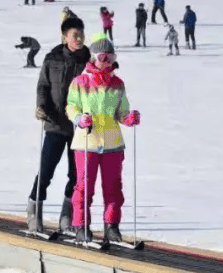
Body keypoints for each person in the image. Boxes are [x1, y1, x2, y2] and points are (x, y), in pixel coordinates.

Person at [66, 33, 140, 244]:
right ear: (93, 57)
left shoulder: (117, 83)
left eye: (109, 57)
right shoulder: (79, 82)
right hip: (86, 142)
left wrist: (129, 118)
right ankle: (81, 226)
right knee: (84, 186)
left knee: (114, 187)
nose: (105, 61)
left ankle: (112, 226)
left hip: (112, 144)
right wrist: (79, 119)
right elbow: (71, 106)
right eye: (101, 57)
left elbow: (121, 111)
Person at [26, 16, 90, 233]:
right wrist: (42, 107)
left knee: (76, 174)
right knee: (46, 170)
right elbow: (43, 86)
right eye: (75, 34)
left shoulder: (90, 61)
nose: (79, 38)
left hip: (79, 125)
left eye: (81, 33)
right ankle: (34, 211)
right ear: (65, 37)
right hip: (55, 122)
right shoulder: (52, 58)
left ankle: (67, 215)